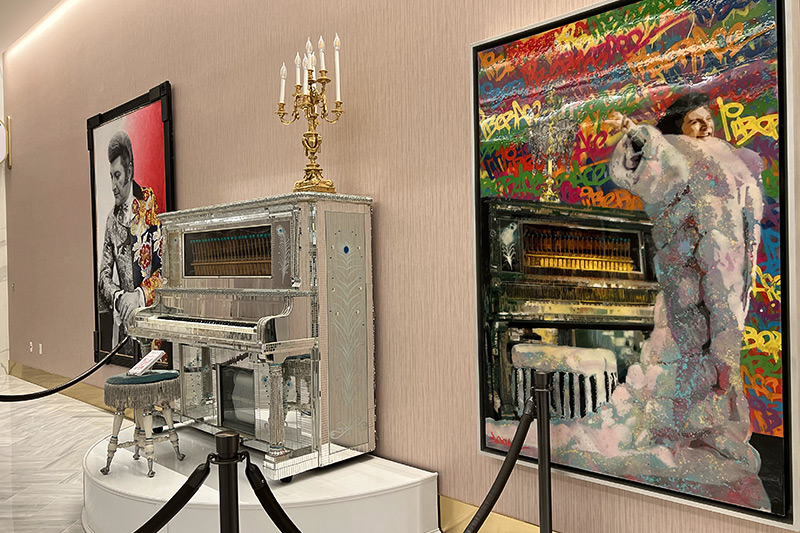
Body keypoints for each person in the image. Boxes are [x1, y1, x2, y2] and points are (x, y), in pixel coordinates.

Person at [594, 92, 767, 506]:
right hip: (687, 275)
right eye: (694, 121)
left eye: (707, 119)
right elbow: (651, 163)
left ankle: (710, 432)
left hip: (726, 280)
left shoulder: (732, 161)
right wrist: (637, 135)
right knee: (682, 349)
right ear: (679, 129)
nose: (704, 126)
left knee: (720, 356)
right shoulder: (678, 153)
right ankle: (667, 432)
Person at [97, 130, 163, 354]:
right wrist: (119, 297)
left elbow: (166, 269)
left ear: (130, 171)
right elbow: (103, 277)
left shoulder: (150, 203)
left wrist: (139, 295)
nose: (113, 184)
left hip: (154, 326)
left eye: (118, 175)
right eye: (111, 176)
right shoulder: (111, 221)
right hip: (126, 331)